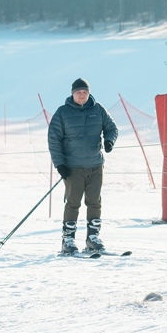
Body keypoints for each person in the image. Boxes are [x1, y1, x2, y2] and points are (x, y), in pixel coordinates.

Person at [47, 77, 118, 255]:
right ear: (73, 93)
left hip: (95, 165)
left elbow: (112, 128)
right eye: (79, 92)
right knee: (73, 203)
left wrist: (109, 141)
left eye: (85, 92)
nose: (82, 95)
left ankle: (92, 239)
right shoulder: (63, 112)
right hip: (73, 166)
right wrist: (60, 164)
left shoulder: (98, 109)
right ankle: (68, 241)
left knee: (95, 202)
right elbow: (53, 139)